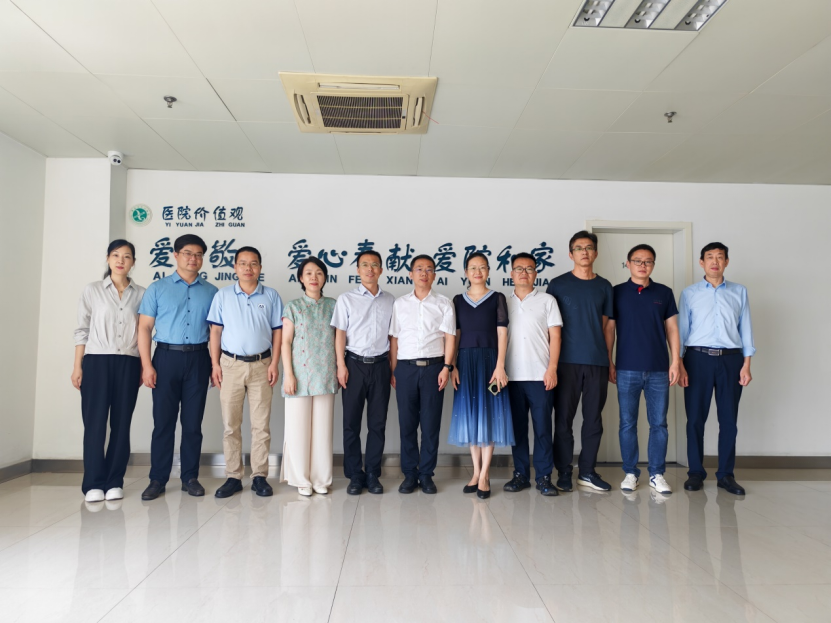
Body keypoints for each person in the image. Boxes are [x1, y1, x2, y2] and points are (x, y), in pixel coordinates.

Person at [138, 234, 217, 501]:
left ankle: (190, 477)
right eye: (187, 253)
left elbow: (216, 332)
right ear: (175, 255)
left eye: (198, 254)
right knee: (163, 422)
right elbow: (144, 328)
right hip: (165, 358)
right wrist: (147, 365)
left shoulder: (212, 292)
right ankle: (157, 479)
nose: (193, 258)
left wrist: (215, 364)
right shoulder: (157, 289)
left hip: (199, 358)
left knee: (193, 423)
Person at [678, 242, 754, 496]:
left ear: (726, 262)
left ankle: (726, 475)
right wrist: (680, 363)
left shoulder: (739, 291)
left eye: (720, 257)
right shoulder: (689, 293)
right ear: (701, 262)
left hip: (731, 360)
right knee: (695, 419)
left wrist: (746, 365)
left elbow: (745, 328)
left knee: (729, 419)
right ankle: (695, 472)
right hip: (696, 359)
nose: (714, 261)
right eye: (709, 257)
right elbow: (682, 331)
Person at [72, 240, 145, 503]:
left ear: (133, 262)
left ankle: (114, 481)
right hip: (96, 362)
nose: (120, 261)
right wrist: (77, 366)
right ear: (108, 259)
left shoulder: (142, 294)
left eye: (127, 256)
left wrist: (144, 365)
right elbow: (82, 330)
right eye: (116, 255)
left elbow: (145, 332)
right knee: (94, 424)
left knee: (122, 424)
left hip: (129, 362)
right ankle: (93, 483)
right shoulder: (92, 290)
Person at [208, 246, 283, 498]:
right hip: (230, 365)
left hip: (262, 364)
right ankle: (233, 476)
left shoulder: (271, 295)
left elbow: (278, 332)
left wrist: (274, 363)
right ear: (235, 267)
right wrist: (215, 364)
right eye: (243, 263)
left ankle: (260, 476)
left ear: (260, 267)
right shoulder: (223, 295)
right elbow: (215, 331)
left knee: (261, 425)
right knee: (231, 424)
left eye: (253, 263)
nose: (248, 268)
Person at [606, 244, 680, 495]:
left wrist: (675, 361)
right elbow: (609, 330)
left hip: (659, 369)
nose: (642, 265)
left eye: (648, 261)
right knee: (627, 423)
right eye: (637, 261)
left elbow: (672, 329)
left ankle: (657, 474)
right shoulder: (616, 292)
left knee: (659, 424)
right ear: (628, 264)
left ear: (653, 265)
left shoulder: (664, 293)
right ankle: (630, 473)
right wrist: (609, 361)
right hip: (626, 369)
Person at [546, 230, 614, 492]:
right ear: (570, 254)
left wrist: (610, 361)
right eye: (578, 248)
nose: (584, 252)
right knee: (563, 419)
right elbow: (550, 328)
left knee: (593, 419)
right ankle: (564, 471)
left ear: (595, 253)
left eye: (588, 248)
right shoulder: (557, 285)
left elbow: (607, 327)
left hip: (597, 362)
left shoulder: (604, 286)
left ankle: (587, 471)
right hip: (565, 363)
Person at [448, 252, 513, 499]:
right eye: (473, 267)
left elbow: (502, 334)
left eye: (482, 267)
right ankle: (475, 472)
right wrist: (453, 366)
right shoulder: (458, 300)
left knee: (489, 416)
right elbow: (455, 335)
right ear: (466, 272)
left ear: (488, 271)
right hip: (465, 363)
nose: (477, 272)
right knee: (470, 415)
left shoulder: (497, 298)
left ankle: (485, 475)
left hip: (490, 363)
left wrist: (500, 366)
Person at [390, 255, 456, 494]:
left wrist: (447, 367)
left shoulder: (444, 303)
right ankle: (410, 474)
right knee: (407, 424)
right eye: (419, 269)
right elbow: (394, 339)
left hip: (434, 369)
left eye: (429, 269)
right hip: (405, 369)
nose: (424, 273)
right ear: (411, 274)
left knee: (430, 425)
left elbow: (450, 338)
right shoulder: (400, 304)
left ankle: (426, 474)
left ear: (434, 275)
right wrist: (393, 370)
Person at [331, 250, 395, 496]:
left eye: (375, 265)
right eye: (365, 265)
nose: (370, 269)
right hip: (354, 364)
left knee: (377, 423)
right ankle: (355, 475)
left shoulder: (390, 300)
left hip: (381, 365)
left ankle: (372, 474)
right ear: (358, 270)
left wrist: (392, 368)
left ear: (381, 270)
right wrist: (341, 365)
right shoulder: (346, 299)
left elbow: (393, 337)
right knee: (351, 423)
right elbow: (340, 334)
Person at [503, 252, 562, 497]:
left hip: (540, 376)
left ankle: (544, 477)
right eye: (519, 269)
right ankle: (520, 475)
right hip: (511, 377)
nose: (524, 273)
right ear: (511, 273)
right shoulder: (502, 302)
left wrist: (552, 368)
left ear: (536, 273)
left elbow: (556, 336)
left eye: (529, 269)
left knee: (542, 429)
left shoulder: (547, 300)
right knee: (517, 430)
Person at [281, 257, 338, 496]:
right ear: (301, 278)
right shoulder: (293, 307)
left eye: (319, 273)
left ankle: (321, 479)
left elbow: (340, 340)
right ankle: (301, 479)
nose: (314, 277)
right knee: (298, 429)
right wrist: (288, 374)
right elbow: (285, 342)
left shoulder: (333, 305)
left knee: (323, 430)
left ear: (325, 278)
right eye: (308, 273)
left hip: (325, 374)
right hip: (299, 376)